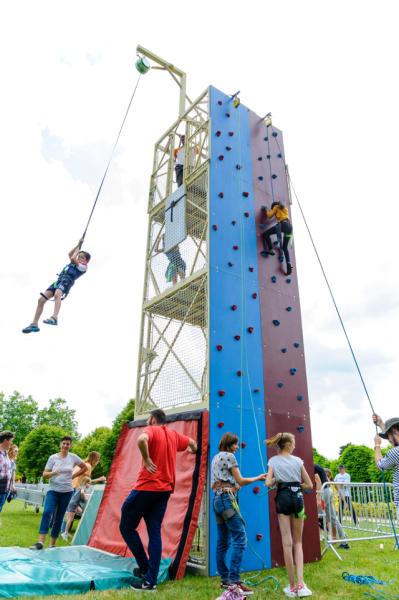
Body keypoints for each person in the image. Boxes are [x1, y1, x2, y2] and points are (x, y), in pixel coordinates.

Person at [119, 409, 197, 592]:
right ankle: (150, 580)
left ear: (153, 419)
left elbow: (141, 440)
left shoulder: (151, 430)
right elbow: (192, 443)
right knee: (154, 531)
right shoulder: (174, 435)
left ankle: (146, 568)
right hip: (165, 490)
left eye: (148, 419)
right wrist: (194, 451)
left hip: (147, 487)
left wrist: (146, 459)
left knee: (126, 526)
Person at [211, 432, 266, 598]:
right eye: (235, 444)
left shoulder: (216, 457)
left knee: (223, 542)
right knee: (240, 538)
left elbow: (224, 482)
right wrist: (258, 477)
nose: (237, 447)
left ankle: (225, 579)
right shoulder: (230, 456)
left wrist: (234, 486)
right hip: (227, 500)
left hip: (218, 500)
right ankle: (234, 581)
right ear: (229, 444)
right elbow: (240, 481)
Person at [266, 433, 313, 598]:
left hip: (283, 497)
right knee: (298, 542)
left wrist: (276, 481)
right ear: (288, 445)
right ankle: (301, 585)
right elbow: (310, 484)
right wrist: (298, 485)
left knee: (287, 544)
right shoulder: (298, 460)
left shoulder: (273, 461)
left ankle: (292, 587)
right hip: (298, 497)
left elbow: (267, 482)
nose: (294, 445)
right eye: (293, 443)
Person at [30, 436, 87, 549]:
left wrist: (73, 476)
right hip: (53, 490)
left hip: (67, 492)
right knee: (47, 512)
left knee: (59, 517)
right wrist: (54, 473)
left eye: (68, 444)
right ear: (60, 444)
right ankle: (40, 542)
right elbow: (45, 474)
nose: (65, 445)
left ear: (70, 445)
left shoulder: (73, 457)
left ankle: (52, 544)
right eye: (64, 443)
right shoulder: (53, 458)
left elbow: (84, 467)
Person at [22, 239, 91, 333]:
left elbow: (72, 258)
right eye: (79, 256)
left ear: (86, 261)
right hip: (58, 281)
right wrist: (77, 245)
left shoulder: (83, 267)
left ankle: (54, 318)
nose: (79, 258)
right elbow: (69, 254)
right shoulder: (74, 261)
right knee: (41, 300)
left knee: (57, 294)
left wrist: (78, 251)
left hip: (67, 281)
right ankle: (34, 324)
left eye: (81, 257)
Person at [61, 450, 106, 539]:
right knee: (73, 512)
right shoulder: (88, 466)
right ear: (94, 459)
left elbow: (85, 481)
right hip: (76, 489)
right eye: (98, 459)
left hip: (71, 488)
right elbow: (87, 481)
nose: (98, 461)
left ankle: (64, 531)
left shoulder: (82, 464)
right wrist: (100, 479)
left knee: (71, 512)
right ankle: (64, 532)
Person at [314, 464, 349, 549]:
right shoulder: (316, 466)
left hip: (323, 492)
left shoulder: (312, 466)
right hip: (328, 491)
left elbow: (318, 481)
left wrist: (318, 497)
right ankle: (344, 542)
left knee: (318, 516)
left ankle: (326, 538)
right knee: (333, 519)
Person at [372, 414, 399, 517]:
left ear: (394, 432)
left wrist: (377, 445)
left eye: (388, 436)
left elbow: (380, 465)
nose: (389, 440)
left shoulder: (395, 452)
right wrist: (381, 424)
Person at [259, 202, 293, 276]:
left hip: (282, 225)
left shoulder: (276, 207)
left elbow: (269, 215)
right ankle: (288, 264)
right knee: (285, 248)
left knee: (266, 234)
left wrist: (266, 209)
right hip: (289, 228)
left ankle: (270, 249)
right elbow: (281, 215)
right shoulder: (285, 208)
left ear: (273, 206)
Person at [61, 476, 91, 541]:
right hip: (74, 504)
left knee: (81, 512)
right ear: (86, 483)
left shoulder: (80, 487)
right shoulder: (83, 488)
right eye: (89, 483)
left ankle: (66, 532)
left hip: (75, 504)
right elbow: (82, 493)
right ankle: (65, 533)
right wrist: (86, 498)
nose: (90, 485)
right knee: (70, 519)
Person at [0, 431, 15, 512]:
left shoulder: (6, 454)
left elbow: (8, 472)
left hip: (4, 490)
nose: (11, 443)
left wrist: (11, 486)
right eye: (11, 441)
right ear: (6, 440)